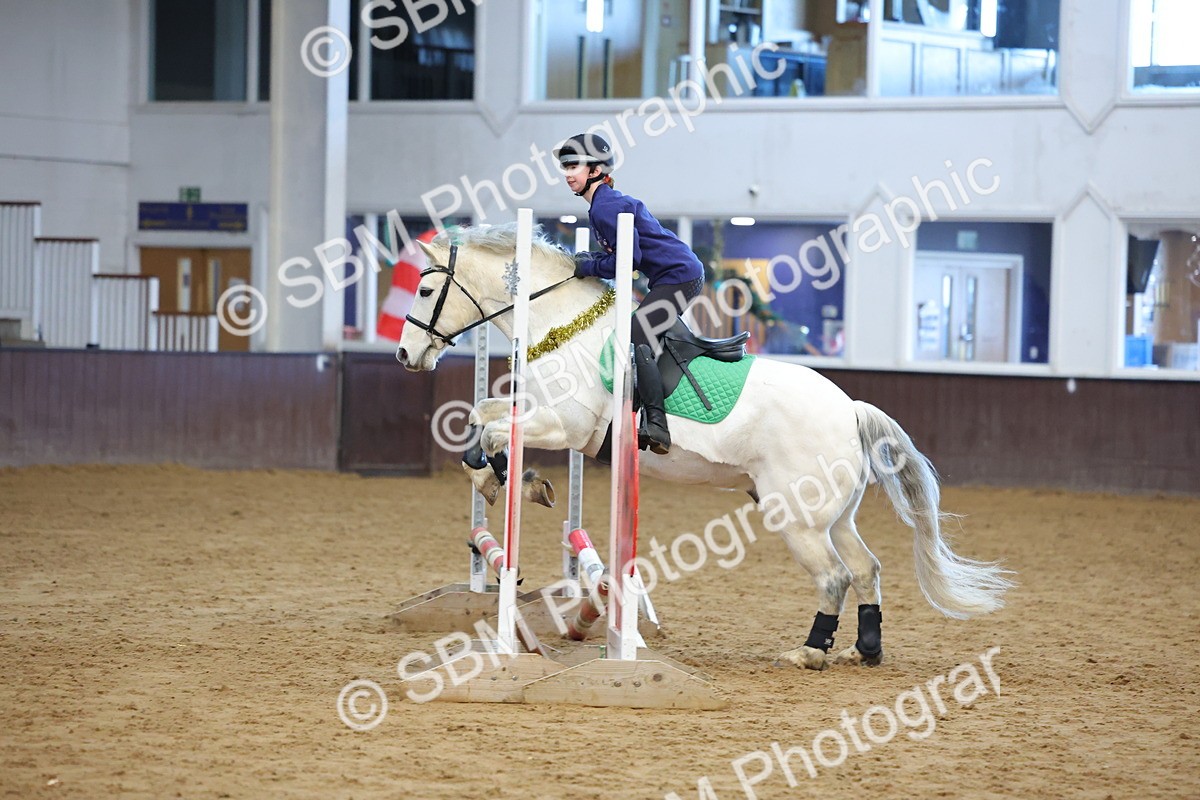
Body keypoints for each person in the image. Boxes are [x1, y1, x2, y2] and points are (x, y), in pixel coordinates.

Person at [554, 132, 705, 455]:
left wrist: (588, 267)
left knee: (638, 335)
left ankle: (656, 425)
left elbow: (629, 261)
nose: (567, 173)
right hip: (672, 276)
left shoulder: (606, 207)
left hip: (679, 276)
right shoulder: (602, 205)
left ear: (595, 171)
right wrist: (591, 262)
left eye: (574, 166)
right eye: (564, 166)